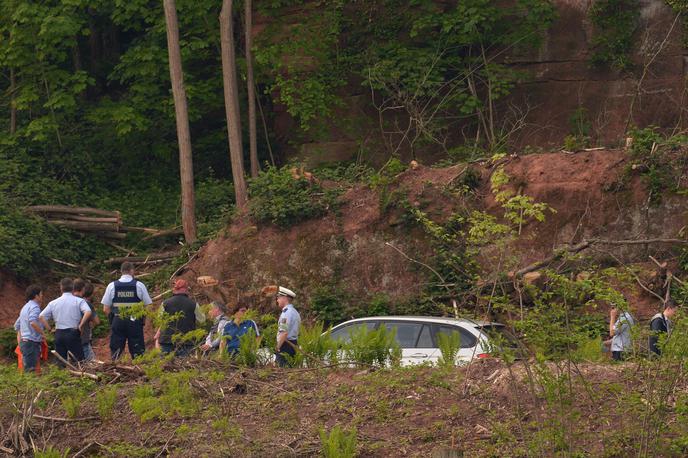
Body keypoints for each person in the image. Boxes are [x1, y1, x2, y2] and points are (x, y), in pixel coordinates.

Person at [101, 262, 153, 360]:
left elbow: (105, 309)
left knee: (116, 350)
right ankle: (139, 369)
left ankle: (116, 369)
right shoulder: (139, 285)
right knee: (137, 350)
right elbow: (148, 305)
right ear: (132, 271)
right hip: (135, 321)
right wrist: (144, 319)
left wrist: (113, 320)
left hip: (118, 319)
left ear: (121, 271)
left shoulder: (111, 286)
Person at [39, 278, 92, 364]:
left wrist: (49, 329)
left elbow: (41, 316)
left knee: (61, 361)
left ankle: (62, 376)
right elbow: (88, 312)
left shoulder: (53, 303)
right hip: (73, 333)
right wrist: (81, 325)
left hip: (59, 333)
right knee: (78, 361)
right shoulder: (79, 301)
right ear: (72, 288)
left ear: (61, 288)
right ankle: (78, 376)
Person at [154, 279, 205, 356]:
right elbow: (202, 320)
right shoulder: (193, 304)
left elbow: (159, 320)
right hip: (187, 341)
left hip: (167, 340)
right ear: (185, 289)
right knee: (185, 365)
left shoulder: (165, 303)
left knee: (165, 365)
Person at [14, 285, 47, 372]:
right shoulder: (35, 307)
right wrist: (42, 333)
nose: (42, 296)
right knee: (31, 370)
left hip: (25, 342)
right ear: (36, 296)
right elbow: (32, 322)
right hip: (31, 342)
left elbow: (17, 325)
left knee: (28, 368)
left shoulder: (25, 307)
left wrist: (20, 342)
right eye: (41, 294)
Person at [74, 279, 100, 362]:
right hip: (83, 337)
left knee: (74, 362)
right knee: (91, 363)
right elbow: (97, 321)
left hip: (69, 338)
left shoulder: (67, 301)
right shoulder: (86, 304)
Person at [275, 286, 300, 367]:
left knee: (283, 371)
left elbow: (284, 333)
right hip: (293, 344)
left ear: (284, 298)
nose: (277, 300)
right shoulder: (294, 312)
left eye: (278, 297)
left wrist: (277, 347)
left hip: (285, 345)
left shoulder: (286, 313)